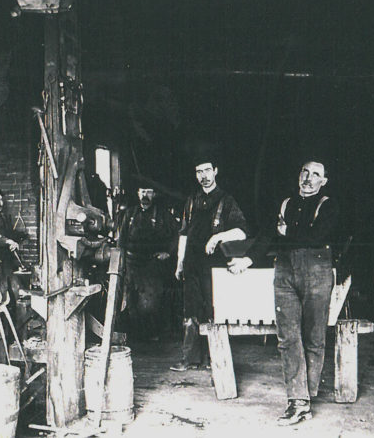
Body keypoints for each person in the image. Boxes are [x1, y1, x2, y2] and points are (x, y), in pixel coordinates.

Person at [228, 160, 339, 426]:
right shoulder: (286, 204)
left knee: (314, 336)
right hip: (285, 271)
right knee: (288, 336)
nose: (309, 178)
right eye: (305, 172)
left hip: (318, 271)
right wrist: (247, 260)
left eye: (316, 175)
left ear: (323, 181)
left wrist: (287, 231)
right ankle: (298, 402)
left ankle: (307, 394)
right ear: (298, 174)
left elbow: (316, 237)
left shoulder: (329, 205)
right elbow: (269, 236)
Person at [171, 158, 248, 371]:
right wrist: (179, 263)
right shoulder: (191, 200)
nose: (203, 176)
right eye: (198, 172)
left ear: (216, 171)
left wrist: (218, 237)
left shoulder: (227, 200)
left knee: (213, 310)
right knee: (190, 310)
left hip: (214, 267)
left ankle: (214, 359)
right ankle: (190, 359)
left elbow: (242, 232)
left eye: (207, 170)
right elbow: (184, 234)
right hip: (192, 263)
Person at [117, 187, 178, 341]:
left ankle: (153, 337)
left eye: (149, 192)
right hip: (132, 264)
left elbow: (177, 236)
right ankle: (136, 339)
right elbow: (121, 241)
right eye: (142, 192)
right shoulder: (130, 214)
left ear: (154, 194)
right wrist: (121, 263)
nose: (145, 195)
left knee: (150, 304)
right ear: (138, 194)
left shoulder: (163, 215)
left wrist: (168, 253)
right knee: (131, 303)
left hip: (152, 265)